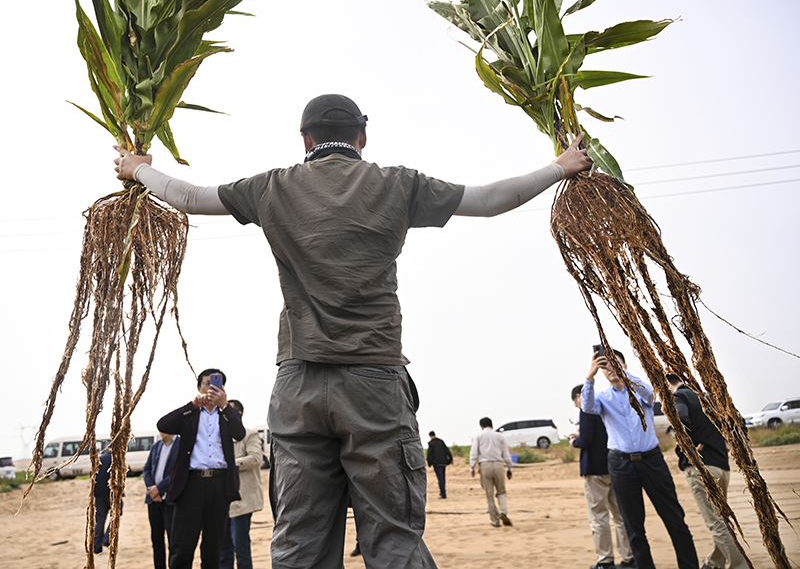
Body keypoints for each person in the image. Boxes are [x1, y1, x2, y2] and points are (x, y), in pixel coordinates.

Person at [114, 93, 592, 569]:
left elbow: (192, 198)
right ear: (362, 137)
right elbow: (489, 201)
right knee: (393, 541)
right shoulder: (398, 184)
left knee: (301, 545)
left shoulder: (271, 187)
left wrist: (139, 169)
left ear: (305, 140)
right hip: (374, 383)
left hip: (298, 385)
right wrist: (561, 166)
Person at [582, 349, 698, 569]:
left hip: (652, 461)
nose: (611, 370)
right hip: (621, 465)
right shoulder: (603, 399)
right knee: (633, 528)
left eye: (616, 365)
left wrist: (624, 375)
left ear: (625, 366)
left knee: (675, 520)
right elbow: (587, 406)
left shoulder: (639, 390)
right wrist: (590, 376)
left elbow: (649, 393)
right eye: (606, 366)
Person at [157, 368, 246, 569]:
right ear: (199, 387)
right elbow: (163, 424)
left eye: (218, 384)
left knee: (213, 547)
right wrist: (191, 405)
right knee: (182, 546)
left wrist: (225, 406)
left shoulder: (227, 414)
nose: (213, 387)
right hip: (191, 484)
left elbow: (239, 433)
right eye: (208, 383)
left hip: (220, 484)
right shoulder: (190, 414)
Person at [666, 374, 747, 569]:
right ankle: (714, 563)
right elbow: (738, 421)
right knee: (721, 519)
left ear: (668, 384)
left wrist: (687, 447)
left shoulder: (680, 397)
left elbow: (681, 420)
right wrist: (730, 444)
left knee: (716, 522)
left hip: (701, 469)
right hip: (721, 467)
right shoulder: (706, 398)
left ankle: (740, 566)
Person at [569, 385, 634, 569]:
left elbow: (587, 440)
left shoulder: (587, 407)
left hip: (594, 469)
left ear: (578, 397)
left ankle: (605, 560)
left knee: (599, 517)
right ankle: (629, 557)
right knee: (621, 516)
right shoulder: (608, 404)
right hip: (615, 465)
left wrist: (575, 442)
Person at [220, 399, 264, 569]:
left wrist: (230, 464)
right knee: (224, 551)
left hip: (243, 500)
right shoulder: (220, 436)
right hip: (223, 502)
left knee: (241, 548)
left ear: (238, 414)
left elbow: (255, 458)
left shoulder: (250, 434)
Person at [143, 432, 181, 569]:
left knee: (174, 541)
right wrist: (152, 490)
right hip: (154, 500)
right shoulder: (156, 446)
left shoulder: (181, 445)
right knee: (157, 540)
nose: (161, 431)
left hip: (171, 500)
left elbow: (178, 472)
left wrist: (159, 488)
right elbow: (146, 469)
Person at [469, 417, 514, 528]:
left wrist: (472, 467)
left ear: (481, 426)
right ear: (492, 425)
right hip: (498, 464)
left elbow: (474, 453)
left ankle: (495, 520)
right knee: (501, 491)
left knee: (489, 494)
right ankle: (503, 511)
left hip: (485, 465)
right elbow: (506, 455)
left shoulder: (479, 437)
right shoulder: (499, 436)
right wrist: (509, 468)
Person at [93, 450, 114, 554]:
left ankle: (96, 546)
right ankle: (107, 538)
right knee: (115, 516)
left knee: (100, 520)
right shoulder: (116, 459)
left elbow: (93, 476)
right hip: (112, 493)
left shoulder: (99, 459)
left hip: (99, 494)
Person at [426, 431, 453, 499]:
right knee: (443, 478)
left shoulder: (431, 443)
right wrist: (451, 459)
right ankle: (442, 492)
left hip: (436, 463)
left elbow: (429, 454)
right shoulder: (441, 441)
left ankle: (443, 494)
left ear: (430, 436)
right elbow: (447, 450)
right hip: (443, 462)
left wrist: (429, 463)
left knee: (440, 478)